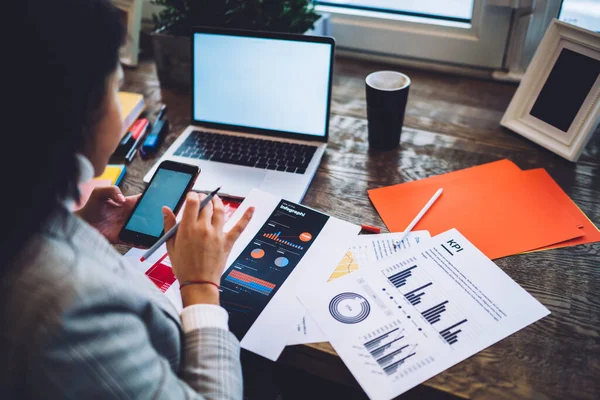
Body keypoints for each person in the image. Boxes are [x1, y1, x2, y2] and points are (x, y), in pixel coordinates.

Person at [1, 0, 254, 398]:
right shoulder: (72, 309)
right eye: (116, 88)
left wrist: (83, 229)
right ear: (75, 112)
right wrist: (201, 285)